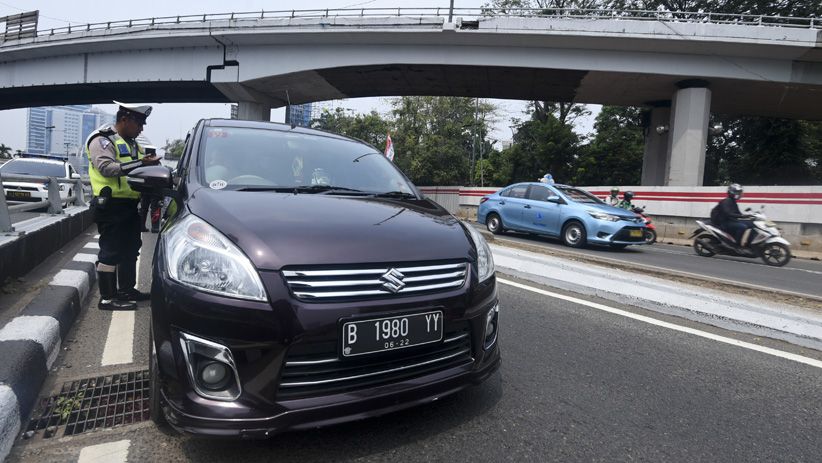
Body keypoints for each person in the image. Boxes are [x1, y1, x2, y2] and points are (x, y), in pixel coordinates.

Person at [86, 101, 160, 310]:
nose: (142, 128)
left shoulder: (132, 144)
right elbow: (106, 168)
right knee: (110, 251)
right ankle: (108, 298)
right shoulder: (102, 140)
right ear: (125, 119)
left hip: (129, 206)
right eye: (139, 123)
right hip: (110, 206)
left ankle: (127, 290)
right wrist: (141, 164)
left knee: (130, 249)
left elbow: (136, 173)